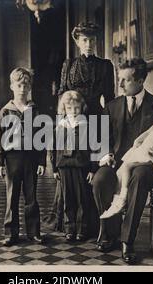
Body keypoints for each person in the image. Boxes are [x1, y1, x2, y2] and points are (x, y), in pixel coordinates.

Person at [91, 58, 153, 264]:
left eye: (126, 80)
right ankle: (110, 231)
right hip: (117, 163)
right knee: (99, 180)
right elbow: (102, 140)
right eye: (119, 79)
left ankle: (127, 241)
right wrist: (107, 154)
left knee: (139, 177)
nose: (120, 85)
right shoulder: (112, 106)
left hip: (147, 166)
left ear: (140, 80)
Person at [44, 22, 115, 234]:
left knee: (90, 168)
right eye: (84, 40)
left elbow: (109, 98)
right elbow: (63, 95)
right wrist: (60, 122)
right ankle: (69, 221)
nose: (89, 44)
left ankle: (90, 223)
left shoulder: (106, 65)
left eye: (93, 39)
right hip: (72, 117)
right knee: (71, 167)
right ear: (77, 41)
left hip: (95, 118)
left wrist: (106, 124)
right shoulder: (69, 64)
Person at [100, 90, 153, 219]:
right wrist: (138, 140)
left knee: (129, 168)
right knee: (120, 171)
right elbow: (146, 133)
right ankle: (118, 202)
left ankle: (124, 199)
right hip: (143, 150)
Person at [0, 67, 47, 247]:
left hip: (31, 158)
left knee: (31, 196)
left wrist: (42, 161)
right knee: (12, 196)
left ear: (30, 87)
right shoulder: (5, 111)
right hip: (12, 159)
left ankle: (34, 232)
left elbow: (42, 137)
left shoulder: (35, 110)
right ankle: (11, 233)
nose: (22, 89)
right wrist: (0, 162)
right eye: (19, 85)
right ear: (12, 86)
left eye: (26, 85)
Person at [51, 91, 97, 242]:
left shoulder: (87, 126)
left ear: (82, 107)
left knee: (83, 199)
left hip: (81, 167)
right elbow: (53, 149)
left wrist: (92, 169)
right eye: (69, 108)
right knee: (68, 198)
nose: (74, 112)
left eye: (77, 108)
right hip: (64, 167)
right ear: (64, 109)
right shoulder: (60, 126)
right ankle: (69, 228)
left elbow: (94, 149)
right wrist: (54, 168)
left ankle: (82, 228)